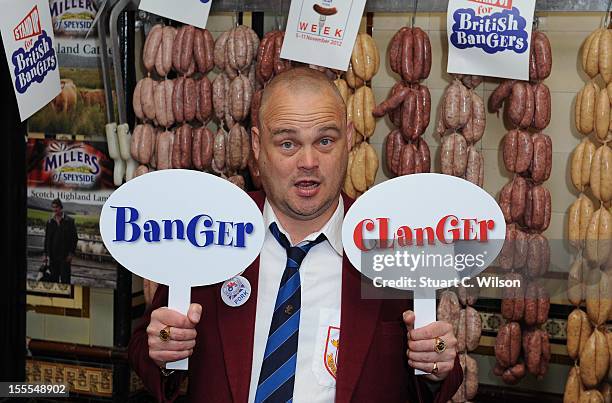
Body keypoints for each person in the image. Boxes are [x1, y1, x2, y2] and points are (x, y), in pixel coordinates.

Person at [128, 68, 462, 402]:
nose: (309, 161)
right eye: (288, 143)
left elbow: (428, 377)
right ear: (258, 145)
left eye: (325, 141)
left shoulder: (392, 243)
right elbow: (150, 348)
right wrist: (165, 351)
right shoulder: (209, 234)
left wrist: (437, 364)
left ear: (348, 138)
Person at [42, 198, 77, 284]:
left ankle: (66, 297)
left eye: (56, 207)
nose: (54, 209)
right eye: (53, 207)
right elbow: (47, 239)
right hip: (53, 257)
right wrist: (45, 254)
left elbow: (74, 238)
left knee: (65, 280)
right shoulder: (50, 222)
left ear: (61, 208)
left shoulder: (69, 221)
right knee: (54, 280)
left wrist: (71, 253)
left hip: (65, 257)